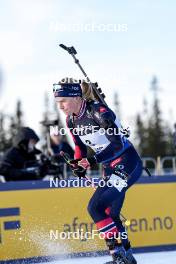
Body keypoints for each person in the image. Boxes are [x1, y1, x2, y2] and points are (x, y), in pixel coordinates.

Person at [53, 78, 142, 264]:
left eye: (63, 101)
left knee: (95, 207)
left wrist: (91, 161)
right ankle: (128, 258)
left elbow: (117, 144)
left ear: (76, 97)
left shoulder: (98, 112)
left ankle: (117, 257)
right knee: (111, 212)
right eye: (57, 102)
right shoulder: (71, 120)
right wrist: (77, 163)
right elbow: (79, 147)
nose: (60, 106)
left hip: (127, 163)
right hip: (110, 168)